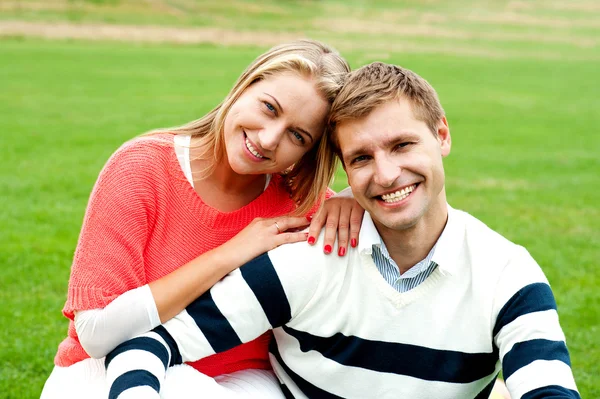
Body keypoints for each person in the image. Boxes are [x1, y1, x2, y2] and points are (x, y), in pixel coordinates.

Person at [104, 62, 580, 398]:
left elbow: (549, 389)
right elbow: (149, 346)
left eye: (402, 144)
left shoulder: (507, 274)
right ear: (345, 174)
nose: (387, 174)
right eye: (361, 159)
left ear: (442, 135)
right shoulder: (308, 257)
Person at [41, 39, 366, 398]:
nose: (270, 138)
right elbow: (97, 332)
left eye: (297, 135)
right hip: (99, 371)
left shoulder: (303, 207)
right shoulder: (142, 167)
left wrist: (353, 197)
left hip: (238, 380)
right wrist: (231, 253)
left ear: (309, 152)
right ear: (245, 86)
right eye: (269, 108)